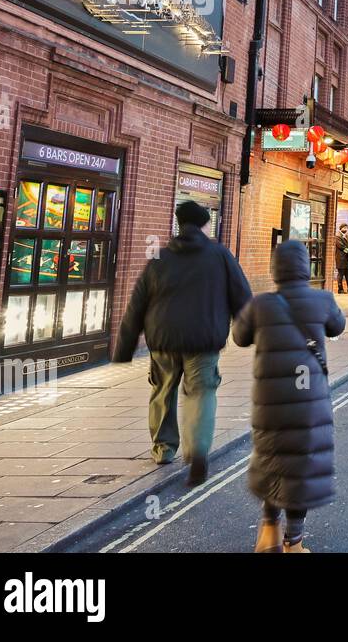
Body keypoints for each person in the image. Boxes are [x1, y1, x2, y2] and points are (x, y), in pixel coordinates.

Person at [114, 200, 252, 486]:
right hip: (203, 340)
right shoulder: (220, 255)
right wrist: (251, 331)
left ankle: (164, 449)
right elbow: (242, 296)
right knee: (201, 393)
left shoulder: (160, 257)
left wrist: (125, 347)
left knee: (163, 391)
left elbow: (137, 305)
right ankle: (197, 450)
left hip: (163, 339)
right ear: (204, 225)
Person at [232, 240, 345, 553]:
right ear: (306, 268)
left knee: (273, 461)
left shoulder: (260, 304)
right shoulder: (322, 299)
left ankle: (268, 531)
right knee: (301, 467)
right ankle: (293, 542)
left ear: (275, 270)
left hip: (271, 404)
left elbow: (239, 337)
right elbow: (338, 325)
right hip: (309, 403)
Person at [334, 224, 348, 294]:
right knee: (341, 274)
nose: (345, 229)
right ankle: (340, 289)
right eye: (344, 228)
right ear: (341, 228)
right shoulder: (337, 237)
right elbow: (341, 247)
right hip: (341, 258)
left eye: (346, 228)